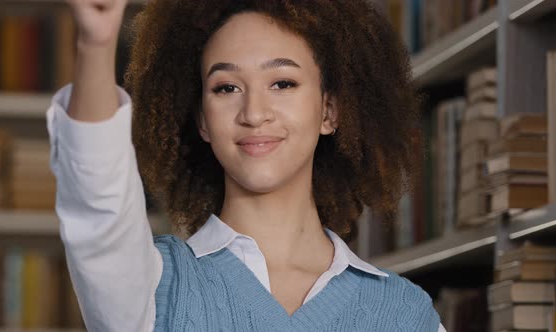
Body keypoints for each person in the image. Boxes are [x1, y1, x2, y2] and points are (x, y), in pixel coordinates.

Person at [48, 0, 446, 331]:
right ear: (203, 120)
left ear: (329, 110)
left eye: (282, 83)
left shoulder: (405, 315)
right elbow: (99, 205)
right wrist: (95, 45)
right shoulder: (152, 288)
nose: (254, 113)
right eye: (226, 88)